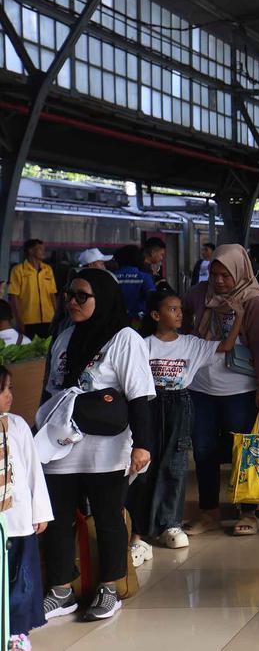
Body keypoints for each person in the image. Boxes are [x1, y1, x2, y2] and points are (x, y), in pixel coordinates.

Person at [39, 269, 155, 622]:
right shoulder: (65, 336)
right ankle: (61, 590)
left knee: (107, 517)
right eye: (69, 295)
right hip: (60, 446)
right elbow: (51, 392)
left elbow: (140, 397)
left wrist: (142, 446)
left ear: (101, 297)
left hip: (106, 447)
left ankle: (109, 588)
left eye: (81, 296)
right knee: (55, 518)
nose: (72, 302)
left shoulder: (125, 339)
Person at [129, 291, 238, 558]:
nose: (179, 314)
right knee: (145, 466)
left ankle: (171, 525)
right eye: (172, 309)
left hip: (180, 405)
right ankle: (139, 532)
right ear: (156, 315)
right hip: (149, 404)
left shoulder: (191, 343)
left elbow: (225, 346)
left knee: (175, 465)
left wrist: (241, 317)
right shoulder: (143, 345)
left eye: (180, 309)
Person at [181, 245, 259, 537]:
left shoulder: (253, 300)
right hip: (201, 386)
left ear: (240, 271)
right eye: (214, 273)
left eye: (226, 275)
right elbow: (183, 328)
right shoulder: (198, 294)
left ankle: (248, 511)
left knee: (244, 450)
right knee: (203, 449)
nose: (219, 281)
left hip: (240, 388)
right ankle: (208, 511)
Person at [0, 365, 52, 650]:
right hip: (1, 527)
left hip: (19, 521)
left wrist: (40, 510)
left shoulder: (18, 424)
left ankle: (18, 632)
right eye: (5, 389)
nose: (10, 395)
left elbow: (34, 470)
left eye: (10, 389)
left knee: (22, 580)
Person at [7, 239, 57, 339]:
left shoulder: (47, 269)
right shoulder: (18, 270)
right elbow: (14, 297)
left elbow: (52, 294)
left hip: (49, 319)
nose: (43, 252)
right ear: (30, 251)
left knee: (48, 349)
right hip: (28, 320)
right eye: (40, 249)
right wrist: (19, 320)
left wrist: (57, 316)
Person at [113, 245, 156, 323]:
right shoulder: (144, 277)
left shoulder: (111, 276)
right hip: (138, 321)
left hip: (116, 320)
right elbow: (152, 299)